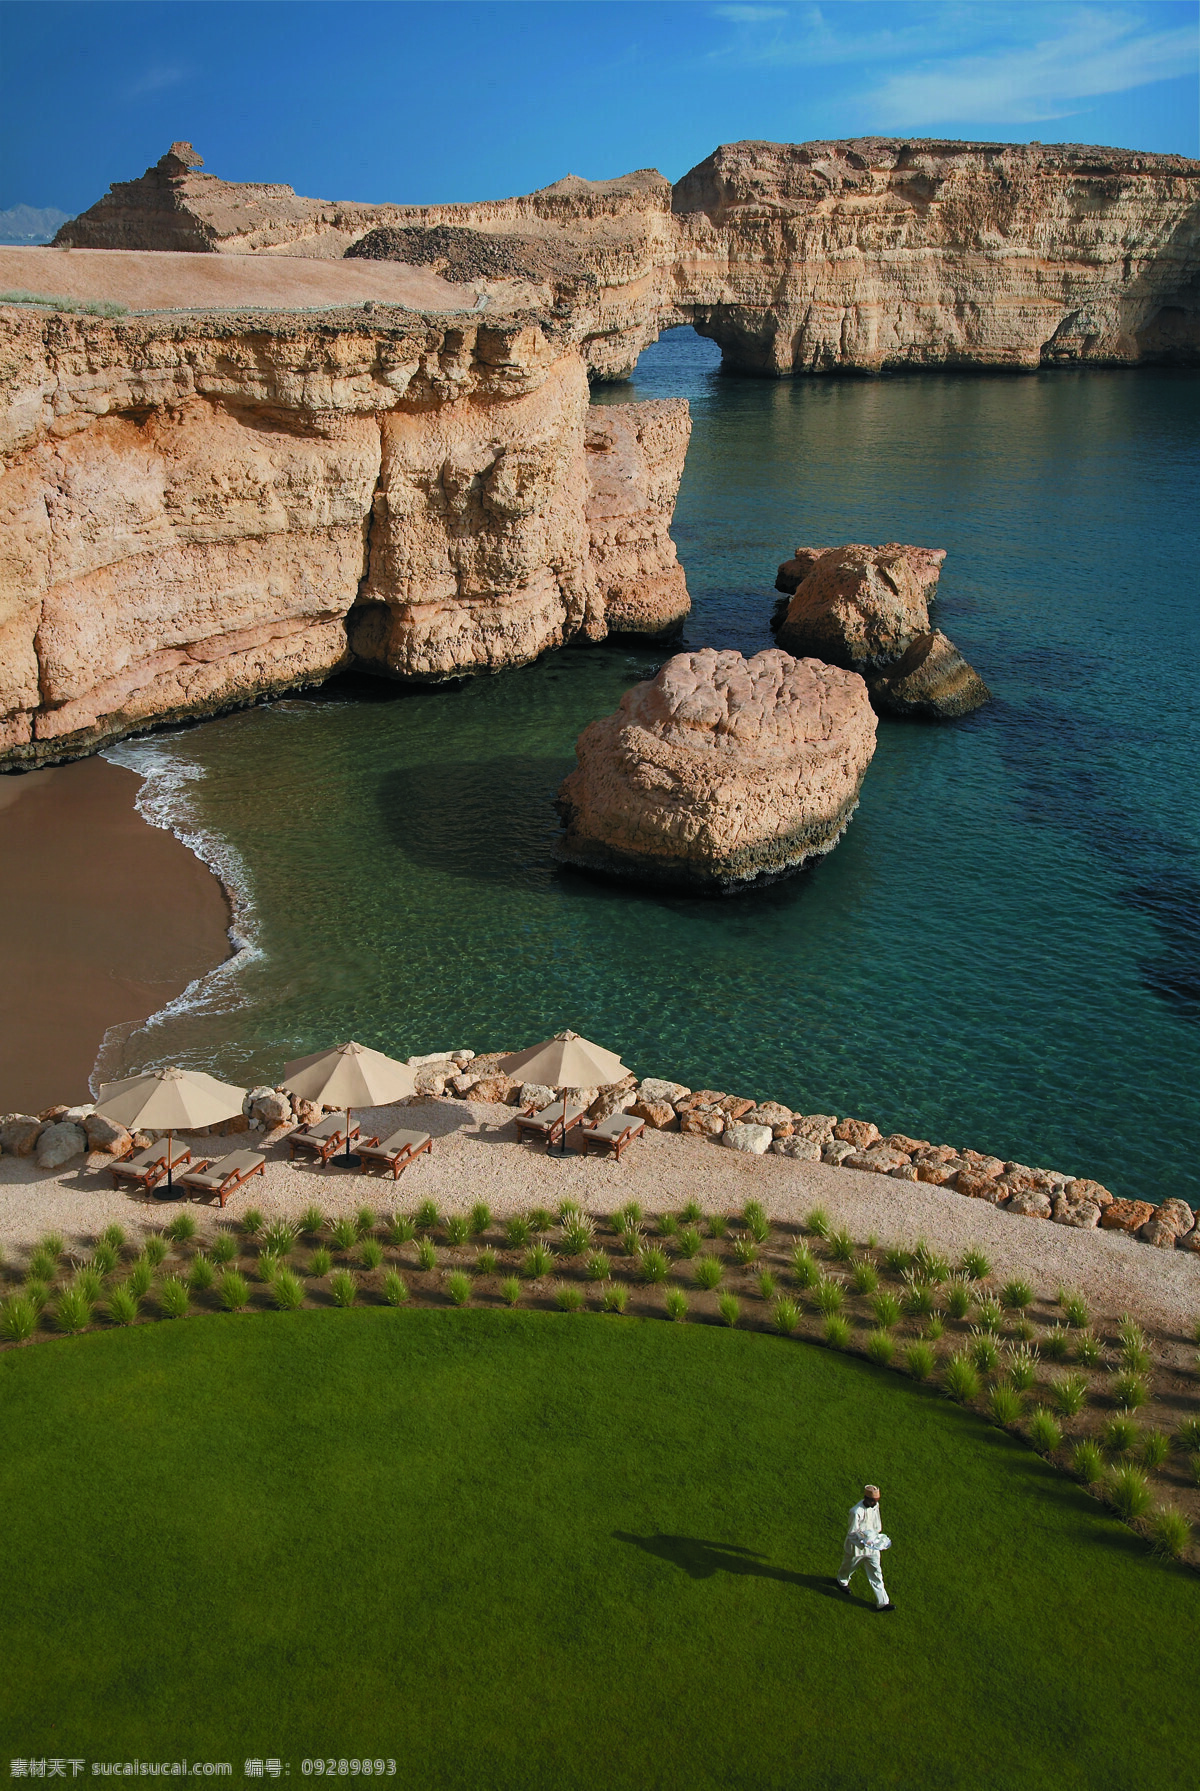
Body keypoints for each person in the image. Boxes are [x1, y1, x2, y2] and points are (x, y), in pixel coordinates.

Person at [836, 1483, 894, 1611]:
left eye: (877, 1500)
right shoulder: (856, 1512)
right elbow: (851, 1533)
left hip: (872, 1549)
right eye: (873, 1500)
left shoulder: (875, 1506)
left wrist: (876, 1539)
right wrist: (864, 1540)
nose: (875, 1503)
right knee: (849, 1566)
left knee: (876, 1573)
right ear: (866, 1498)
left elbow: (877, 1525)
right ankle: (841, 1581)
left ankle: (883, 1602)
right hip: (857, 1548)